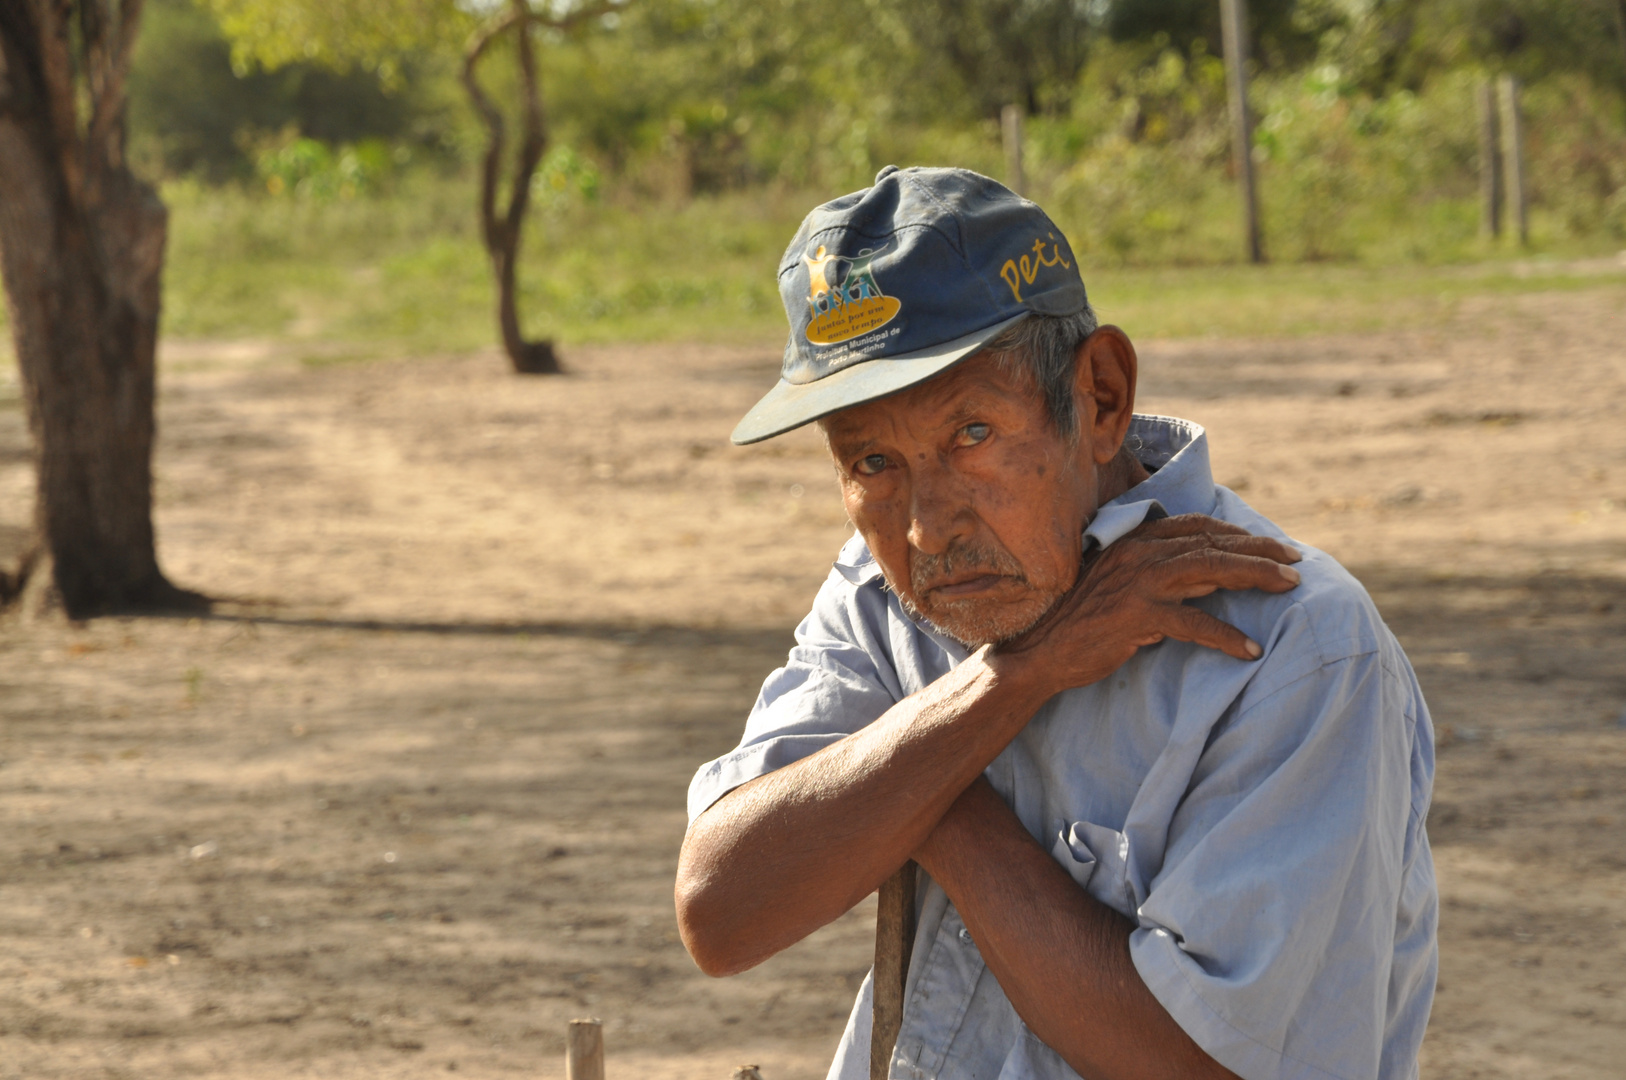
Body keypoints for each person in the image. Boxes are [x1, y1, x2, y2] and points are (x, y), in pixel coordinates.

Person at [675, 166, 1438, 1080]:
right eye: (873, 461)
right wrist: (1009, 685)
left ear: (1101, 398)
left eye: (971, 436)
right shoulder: (889, 594)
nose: (927, 527)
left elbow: (1211, 1066)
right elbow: (721, 912)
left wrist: (921, 793)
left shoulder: (1297, 647)